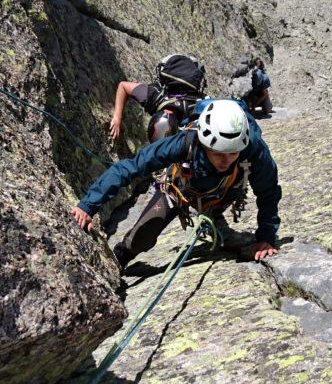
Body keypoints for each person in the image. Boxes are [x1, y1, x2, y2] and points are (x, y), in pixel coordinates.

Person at [72, 99, 281, 269]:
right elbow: (130, 167)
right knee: (143, 234)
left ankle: (214, 217)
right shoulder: (185, 143)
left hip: (224, 193)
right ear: (203, 142)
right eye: (218, 154)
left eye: (233, 153)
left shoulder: (253, 151)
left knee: (225, 185)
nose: (227, 160)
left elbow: (269, 192)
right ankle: (120, 259)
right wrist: (88, 205)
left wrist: (266, 237)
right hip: (180, 189)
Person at [109, 53, 208, 142]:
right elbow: (123, 86)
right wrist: (118, 118)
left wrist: (117, 117)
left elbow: (123, 86)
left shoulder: (158, 96)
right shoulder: (155, 96)